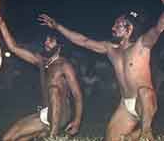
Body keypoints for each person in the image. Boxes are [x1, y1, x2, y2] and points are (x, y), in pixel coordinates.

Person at [37, 11, 164, 141]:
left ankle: (146, 132)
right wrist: (57, 26)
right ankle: (134, 136)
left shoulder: (142, 44)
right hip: (126, 105)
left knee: (145, 91)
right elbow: (83, 41)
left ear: (129, 29)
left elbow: (158, 28)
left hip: (144, 102)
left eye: (117, 25)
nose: (112, 28)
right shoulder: (110, 49)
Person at [0, 13, 83, 141]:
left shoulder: (64, 65)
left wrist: (77, 121)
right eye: (46, 40)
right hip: (46, 113)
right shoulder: (42, 61)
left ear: (60, 46)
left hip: (62, 114)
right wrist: (2, 24)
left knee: (54, 89)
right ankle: (48, 131)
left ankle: (53, 136)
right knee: (8, 138)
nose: (46, 43)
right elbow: (14, 48)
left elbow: (77, 95)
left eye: (50, 41)